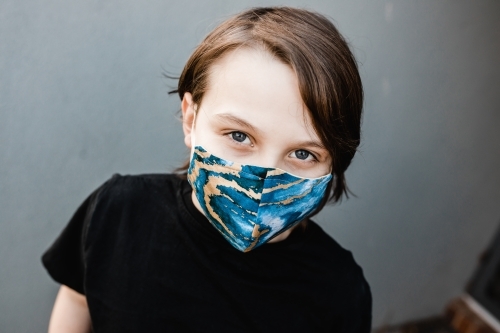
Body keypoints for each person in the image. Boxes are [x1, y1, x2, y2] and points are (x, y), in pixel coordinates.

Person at [42, 6, 371, 332]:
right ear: (190, 119)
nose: (262, 177)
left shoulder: (339, 289)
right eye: (239, 136)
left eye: (302, 153)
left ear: (336, 160)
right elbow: (78, 298)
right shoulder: (119, 212)